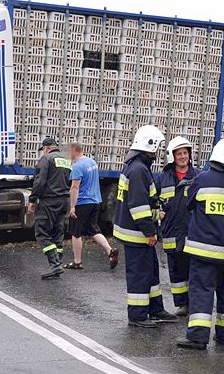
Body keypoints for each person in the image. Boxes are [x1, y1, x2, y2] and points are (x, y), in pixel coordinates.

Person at [176, 137, 224, 350]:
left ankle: (198, 336)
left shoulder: (203, 179)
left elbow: (189, 205)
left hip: (203, 250)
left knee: (202, 290)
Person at [113, 125, 177, 327]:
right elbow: (138, 206)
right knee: (140, 275)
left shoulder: (136, 166)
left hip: (137, 231)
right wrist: (150, 231)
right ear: (150, 146)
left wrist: (157, 213)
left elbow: (141, 202)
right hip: (137, 234)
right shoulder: (139, 169)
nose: (158, 153)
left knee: (151, 272)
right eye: (157, 148)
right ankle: (138, 315)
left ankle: (155, 309)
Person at [156, 136, 199, 316]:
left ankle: (194, 303)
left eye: (185, 153)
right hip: (171, 232)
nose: (183, 157)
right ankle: (182, 304)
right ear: (172, 156)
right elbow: (153, 200)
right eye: (179, 154)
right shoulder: (163, 178)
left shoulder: (197, 176)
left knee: (193, 269)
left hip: (191, 232)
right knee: (175, 269)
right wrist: (157, 212)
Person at [65, 142, 119, 270]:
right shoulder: (92, 162)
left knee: (75, 232)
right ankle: (110, 251)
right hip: (95, 201)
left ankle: (77, 262)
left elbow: (75, 187)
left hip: (83, 202)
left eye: (69, 151)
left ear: (74, 150)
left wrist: (72, 206)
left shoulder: (78, 166)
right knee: (93, 230)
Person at [27, 137, 72, 279]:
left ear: (46, 148)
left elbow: (39, 182)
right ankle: (57, 262)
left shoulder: (46, 159)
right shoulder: (66, 160)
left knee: (42, 232)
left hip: (49, 201)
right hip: (64, 200)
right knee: (57, 233)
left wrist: (32, 199)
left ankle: (55, 265)